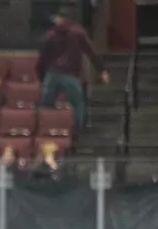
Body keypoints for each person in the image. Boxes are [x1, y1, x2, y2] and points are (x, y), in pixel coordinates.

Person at [36, 7, 109, 135]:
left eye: (56, 18)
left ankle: (45, 133)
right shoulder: (79, 32)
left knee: (45, 106)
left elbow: (43, 58)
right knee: (77, 105)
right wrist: (102, 69)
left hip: (52, 74)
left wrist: (41, 76)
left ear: (59, 18)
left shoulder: (51, 34)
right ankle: (76, 134)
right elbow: (91, 52)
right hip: (71, 75)